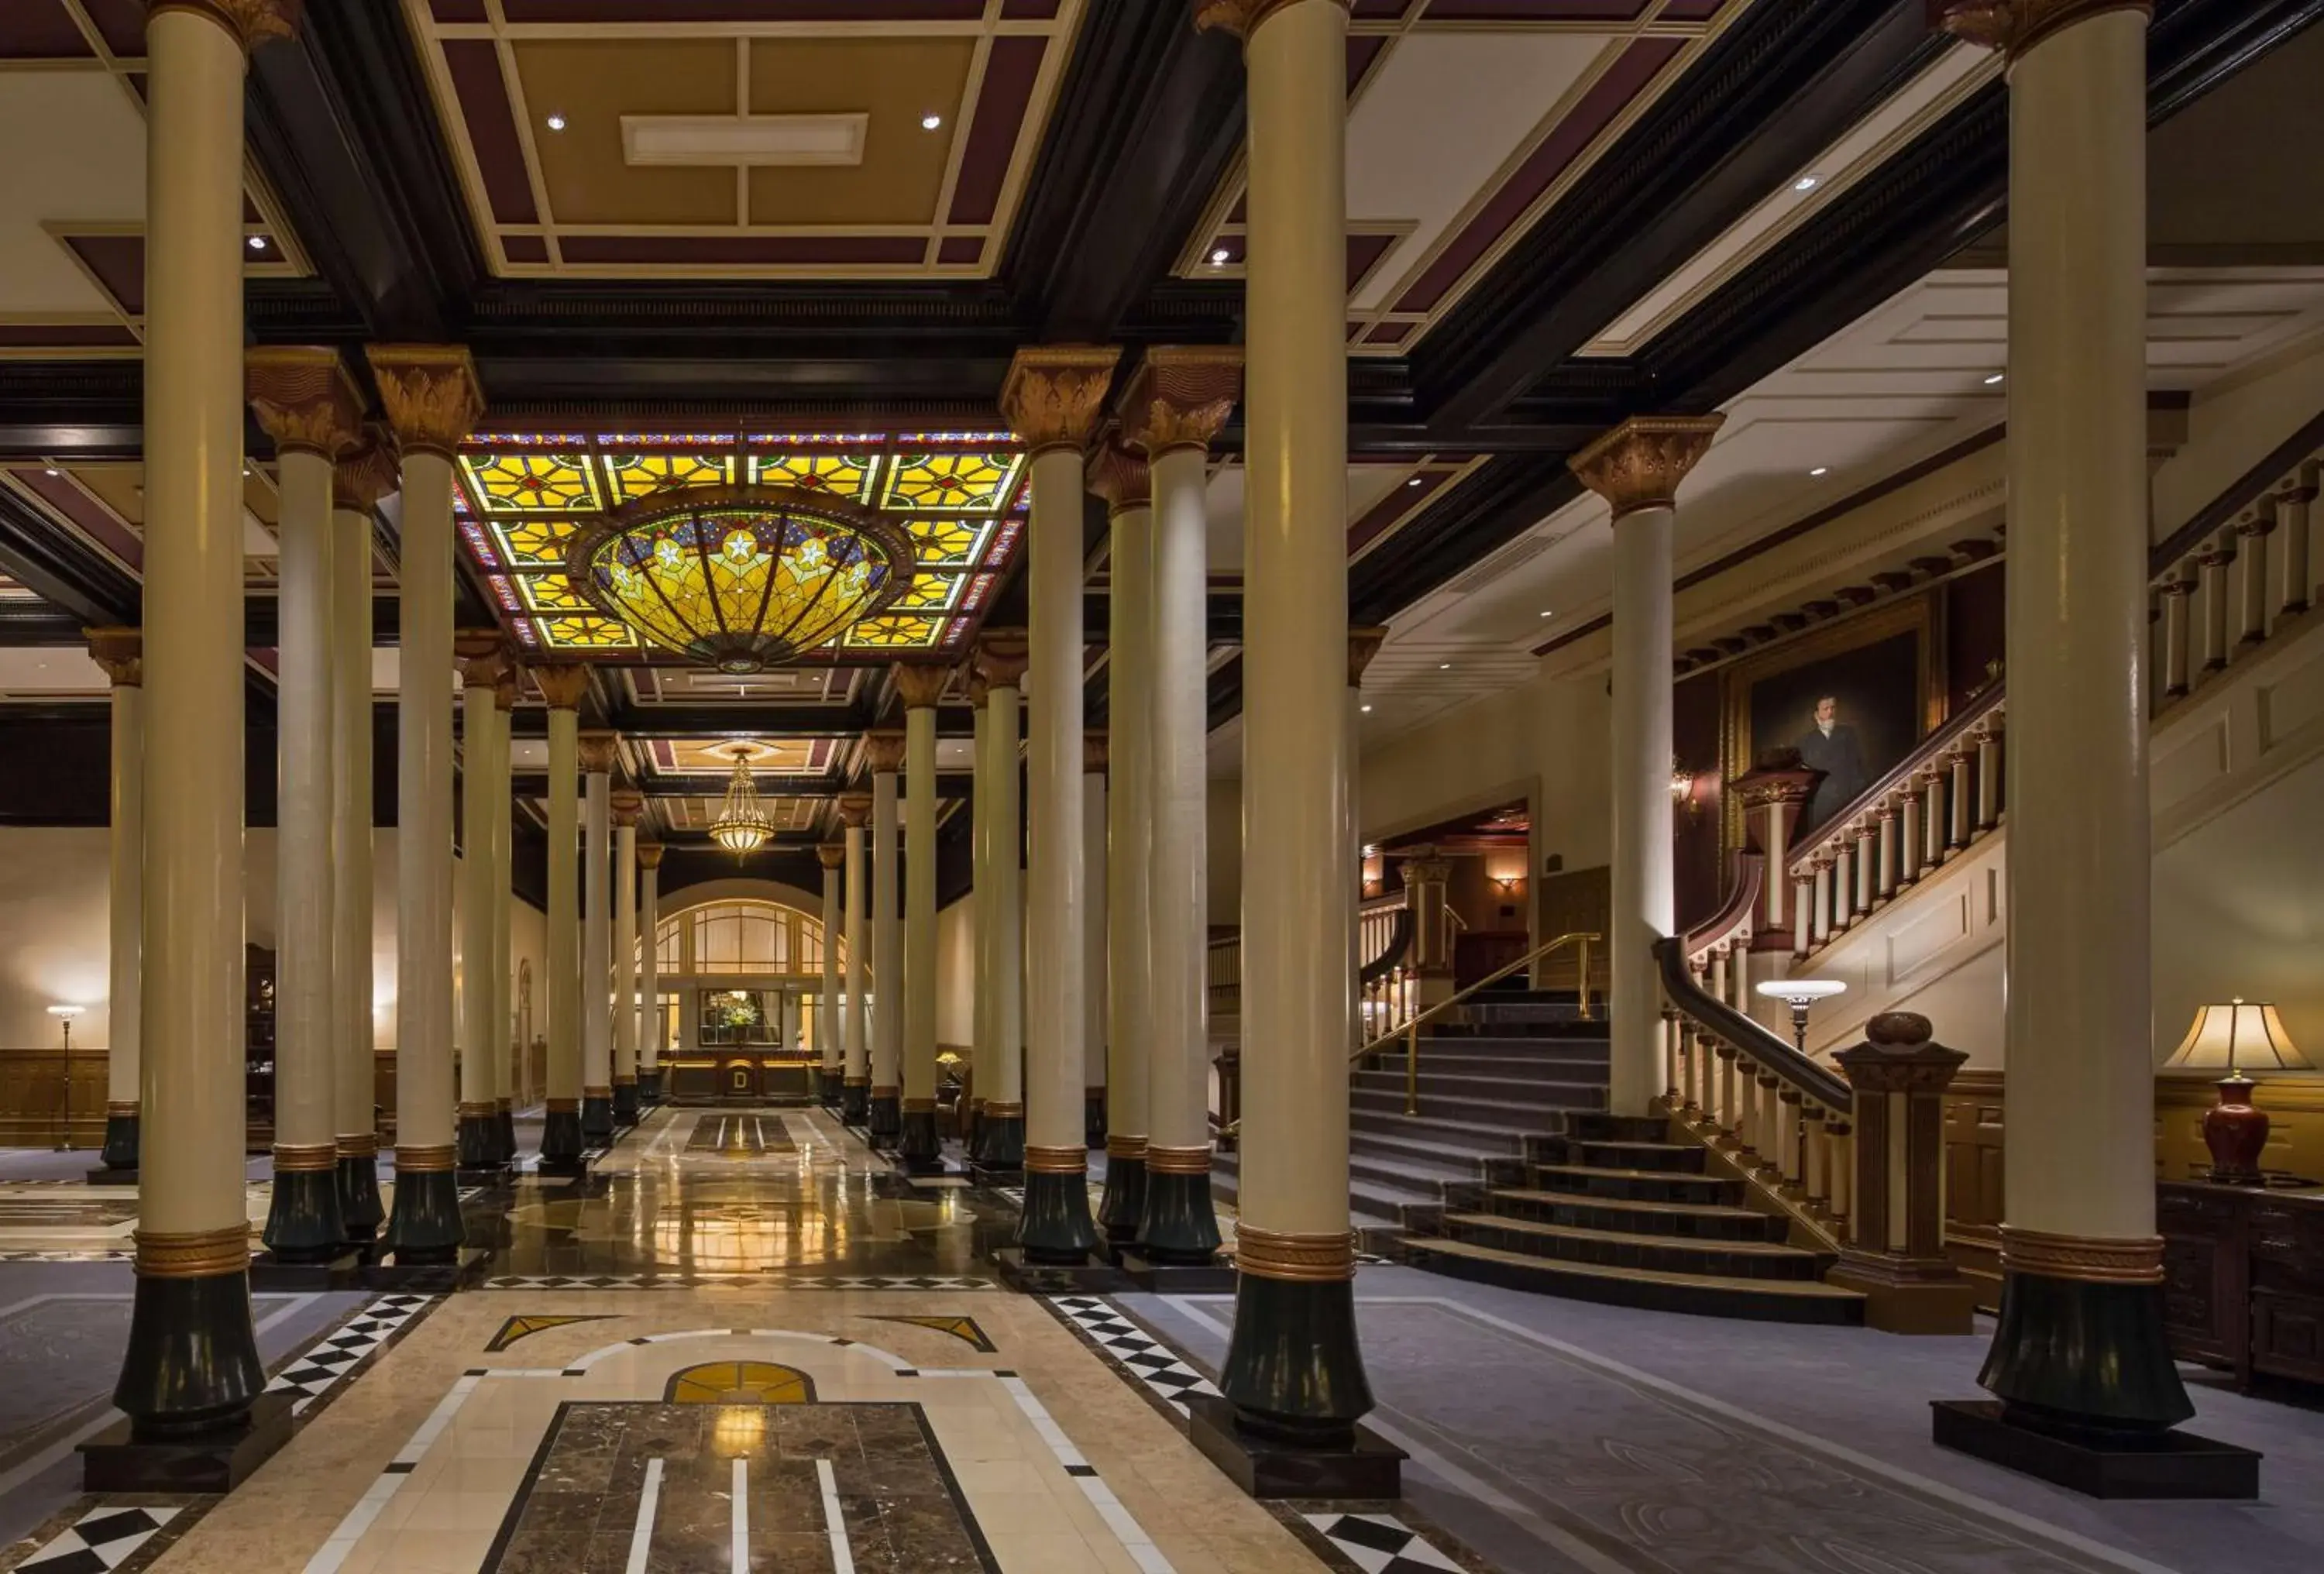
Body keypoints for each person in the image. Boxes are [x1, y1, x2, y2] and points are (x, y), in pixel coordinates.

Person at [1796, 694, 1867, 833]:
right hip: (1820, 801)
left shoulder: (1847, 734)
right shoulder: (1806, 741)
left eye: (1833, 708)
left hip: (1845, 798)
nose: (1830, 712)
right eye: (1826, 709)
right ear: (1816, 714)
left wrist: (1859, 796)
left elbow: (1857, 767)